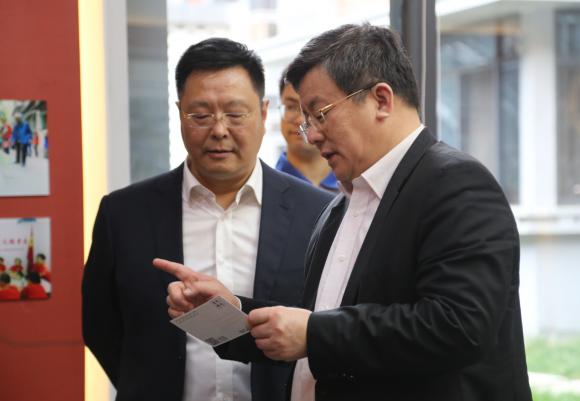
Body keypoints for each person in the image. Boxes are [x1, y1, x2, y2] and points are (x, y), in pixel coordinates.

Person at [157, 23, 532, 401]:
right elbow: (319, 321)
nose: (311, 135)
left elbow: (459, 326)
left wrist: (313, 334)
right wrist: (230, 313)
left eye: (320, 114)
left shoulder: (455, 184)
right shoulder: (341, 205)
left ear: (381, 100)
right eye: (306, 120)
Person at [82, 38, 333, 401]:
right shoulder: (123, 215)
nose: (218, 130)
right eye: (200, 115)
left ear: (263, 113)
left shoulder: (319, 213)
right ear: (179, 113)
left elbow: (328, 326)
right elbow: (100, 326)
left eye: (235, 114)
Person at [276, 68, 338, 192]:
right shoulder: (263, 189)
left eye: (314, 107)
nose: (301, 120)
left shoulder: (357, 185)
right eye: (291, 107)